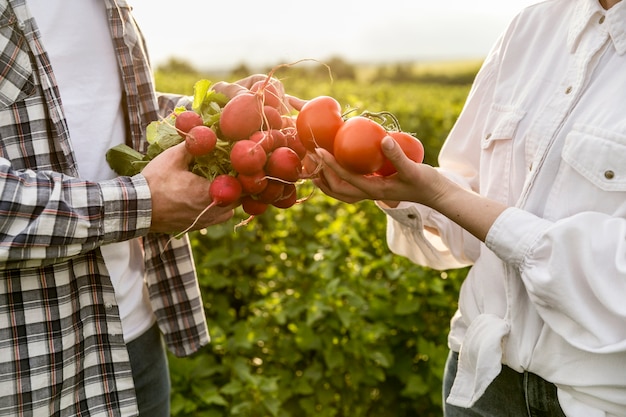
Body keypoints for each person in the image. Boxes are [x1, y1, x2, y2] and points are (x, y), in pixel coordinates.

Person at [310, 0, 626, 415]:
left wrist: (441, 193)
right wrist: (395, 189)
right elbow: (471, 210)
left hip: (597, 401)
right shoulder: (530, 28)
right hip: (481, 381)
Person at [0, 1, 297, 416]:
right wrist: (142, 204)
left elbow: (99, 111)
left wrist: (213, 115)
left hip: (136, 333)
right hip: (32, 367)